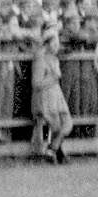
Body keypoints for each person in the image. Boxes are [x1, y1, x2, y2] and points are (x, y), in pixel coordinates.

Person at [31, 26, 72, 163]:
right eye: (53, 43)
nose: (56, 46)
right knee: (56, 126)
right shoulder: (41, 59)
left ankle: (52, 149)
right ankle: (56, 153)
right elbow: (36, 83)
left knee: (67, 124)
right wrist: (51, 79)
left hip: (56, 95)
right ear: (47, 44)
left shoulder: (54, 58)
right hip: (44, 97)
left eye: (57, 43)